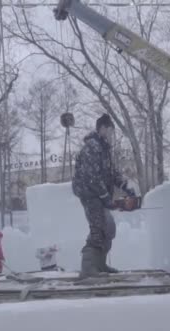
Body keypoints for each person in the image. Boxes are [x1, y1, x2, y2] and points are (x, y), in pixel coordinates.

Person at [72, 114, 136, 278]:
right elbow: (92, 177)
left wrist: (127, 187)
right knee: (98, 228)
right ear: (102, 128)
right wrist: (106, 197)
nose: (111, 135)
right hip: (90, 194)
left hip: (99, 196)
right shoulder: (91, 147)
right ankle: (88, 269)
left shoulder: (104, 149)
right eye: (110, 130)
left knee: (109, 228)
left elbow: (112, 173)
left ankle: (99, 264)